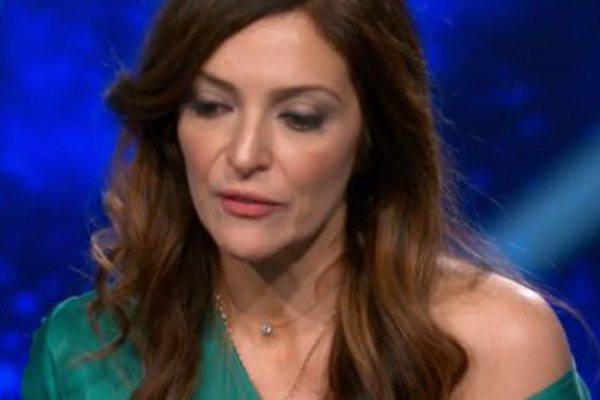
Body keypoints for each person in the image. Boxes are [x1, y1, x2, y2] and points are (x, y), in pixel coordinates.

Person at [22, 1, 594, 399]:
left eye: (299, 117)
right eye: (212, 106)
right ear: (172, 123)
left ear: (371, 138)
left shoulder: (497, 343)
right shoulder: (83, 354)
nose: (244, 154)